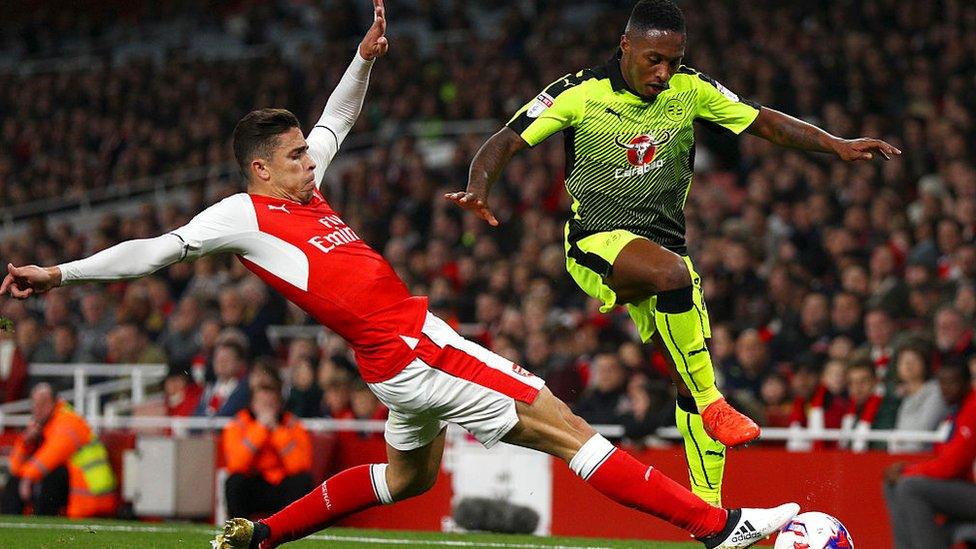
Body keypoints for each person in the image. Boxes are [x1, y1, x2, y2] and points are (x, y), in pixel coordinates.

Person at [1, 2, 797, 547]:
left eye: (307, 153)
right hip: (416, 347)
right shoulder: (241, 215)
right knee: (567, 427)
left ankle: (265, 532)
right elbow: (154, 248)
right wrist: (59, 274)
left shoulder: (305, 191)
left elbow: (336, 119)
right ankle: (722, 527)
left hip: (393, 364)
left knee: (410, 477)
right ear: (258, 169)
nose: (312, 159)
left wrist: (361, 59)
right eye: (294, 156)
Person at [448, 0, 899, 507]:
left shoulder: (691, 89)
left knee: (686, 372)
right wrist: (478, 186)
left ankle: (708, 509)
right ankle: (713, 403)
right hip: (596, 244)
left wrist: (833, 143)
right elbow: (507, 140)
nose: (664, 73)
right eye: (653, 60)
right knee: (676, 282)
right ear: (626, 46)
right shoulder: (577, 93)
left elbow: (762, 121)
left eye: (673, 61)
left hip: (663, 252)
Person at [884, 361, 976, 549]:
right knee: (892, 483)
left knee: (910, 486)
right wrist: (906, 471)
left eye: (952, 382)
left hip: (970, 488)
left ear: (968, 383)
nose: (945, 389)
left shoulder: (972, 409)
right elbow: (946, 461)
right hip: (965, 486)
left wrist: (908, 471)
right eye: (942, 383)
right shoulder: (955, 411)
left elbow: (952, 466)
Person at [0, 384, 117, 518]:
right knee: (16, 481)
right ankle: (12, 525)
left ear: (54, 402)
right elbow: (15, 468)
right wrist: (26, 442)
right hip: (75, 493)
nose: (37, 409)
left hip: (91, 496)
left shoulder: (68, 421)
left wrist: (28, 477)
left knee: (50, 475)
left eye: (43, 402)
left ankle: (41, 522)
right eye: (35, 403)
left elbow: (53, 454)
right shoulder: (44, 426)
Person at [223, 379, 313, 520]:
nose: (267, 408)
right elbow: (236, 465)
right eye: (262, 403)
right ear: (252, 404)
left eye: (271, 404)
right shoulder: (239, 423)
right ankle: (238, 531)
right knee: (234, 481)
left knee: (302, 481)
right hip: (254, 484)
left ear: (279, 405)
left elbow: (300, 466)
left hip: (282, 484)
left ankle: (296, 528)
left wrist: (277, 431)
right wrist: (260, 429)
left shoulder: (293, 424)